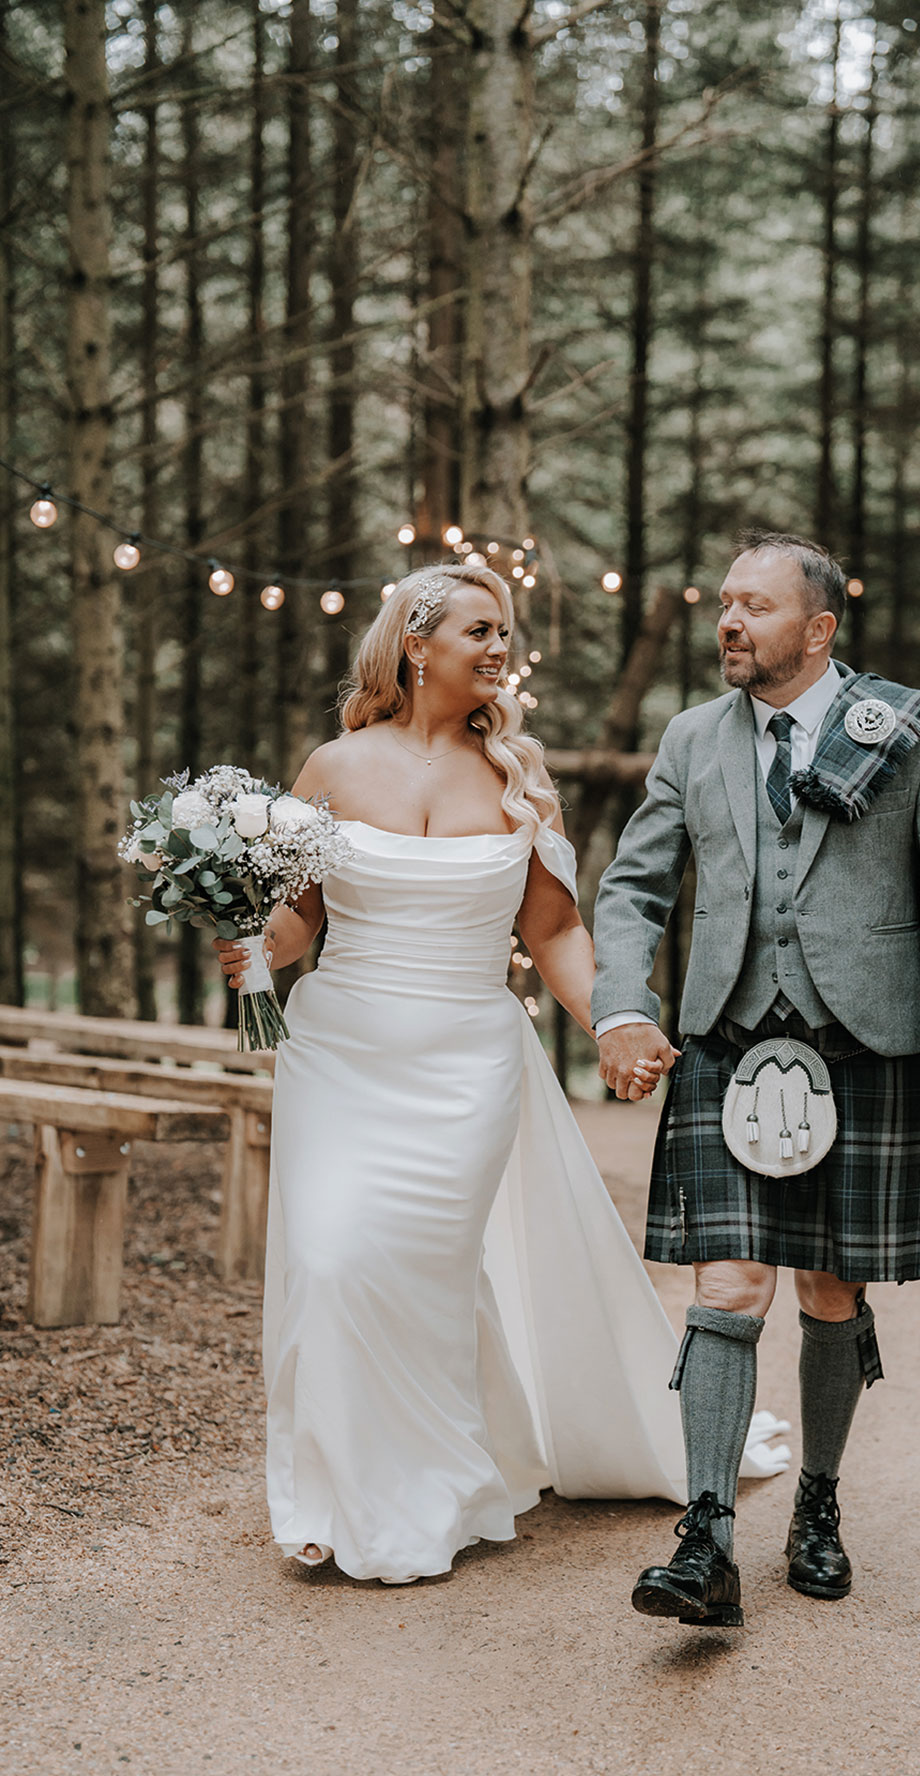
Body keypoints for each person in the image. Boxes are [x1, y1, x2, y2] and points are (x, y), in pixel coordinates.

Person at [214, 563, 786, 1586]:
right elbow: (300, 916)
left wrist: (618, 1019)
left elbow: (556, 930)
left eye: (504, 632)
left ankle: (438, 1489)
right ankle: (335, 1494)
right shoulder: (332, 767)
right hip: (340, 1052)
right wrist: (249, 946)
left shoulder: (517, 776)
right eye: (479, 629)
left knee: (426, 1274)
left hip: (468, 1059)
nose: (497, 648)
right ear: (416, 644)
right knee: (339, 1260)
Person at [591, 529, 920, 1628]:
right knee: (727, 1286)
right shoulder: (694, 737)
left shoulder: (908, 730)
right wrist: (622, 1002)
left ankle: (817, 1502)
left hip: (867, 1046)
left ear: (819, 627)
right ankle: (705, 1535)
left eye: (755, 604)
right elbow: (634, 887)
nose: (729, 621)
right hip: (726, 1043)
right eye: (724, 602)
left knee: (830, 1290)